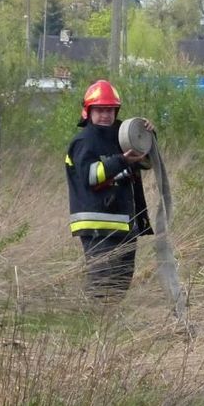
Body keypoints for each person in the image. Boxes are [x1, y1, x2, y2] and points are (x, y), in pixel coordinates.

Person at [64, 80, 153, 299]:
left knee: (119, 288)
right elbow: (91, 177)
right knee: (101, 289)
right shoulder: (84, 141)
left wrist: (148, 136)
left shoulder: (119, 137)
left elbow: (146, 161)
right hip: (98, 227)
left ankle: (107, 328)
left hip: (124, 225)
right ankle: (92, 329)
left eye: (110, 110)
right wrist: (121, 161)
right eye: (100, 110)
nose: (106, 115)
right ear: (88, 112)